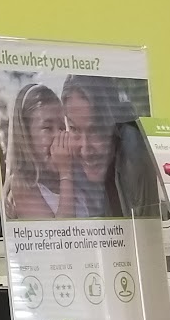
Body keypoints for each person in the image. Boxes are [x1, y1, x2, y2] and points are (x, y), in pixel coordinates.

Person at [61, 76, 159, 219]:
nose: (85, 151)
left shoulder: (134, 157)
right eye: (74, 129)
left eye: (95, 130)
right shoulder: (72, 167)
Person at [2, 82, 79, 220]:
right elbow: (62, 231)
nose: (58, 135)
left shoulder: (77, 179)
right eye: (47, 128)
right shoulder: (23, 184)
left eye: (62, 128)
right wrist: (66, 173)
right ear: (26, 135)